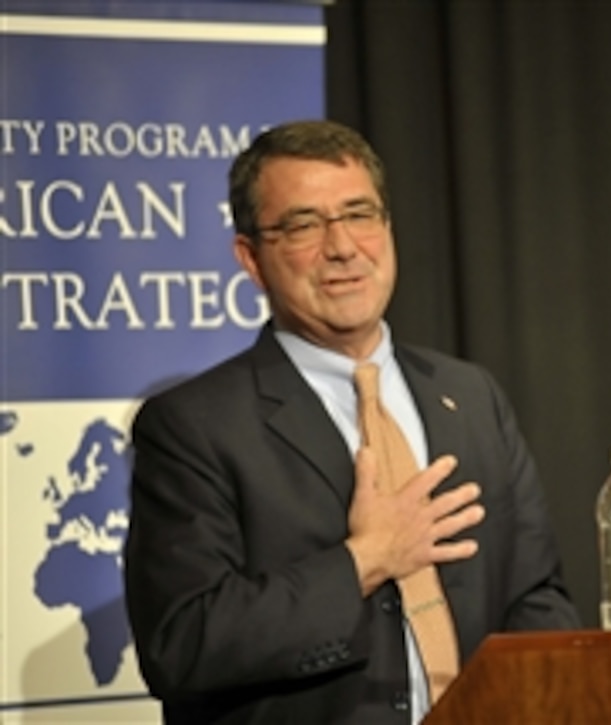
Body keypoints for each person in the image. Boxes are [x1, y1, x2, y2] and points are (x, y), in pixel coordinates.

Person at [123, 119, 580, 724]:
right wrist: (366, 559)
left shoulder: (470, 395)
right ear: (251, 259)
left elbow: (535, 597)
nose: (342, 247)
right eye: (303, 225)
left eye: (360, 214)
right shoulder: (193, 426)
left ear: (387, 229)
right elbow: (182, 644)